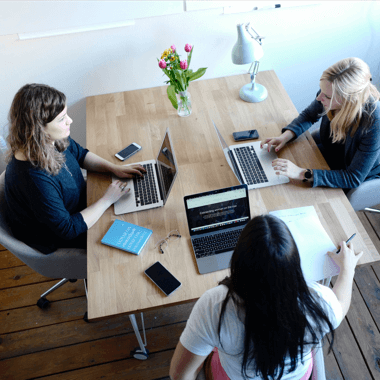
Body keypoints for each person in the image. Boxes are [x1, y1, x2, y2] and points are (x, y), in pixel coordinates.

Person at [169, 214, 363, 380]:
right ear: (294, 264)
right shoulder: (318, 302)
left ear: (238, 261)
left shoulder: (214, 305)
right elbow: (341, 304)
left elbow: (179, 375)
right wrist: (348, 269)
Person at [4, 83, 146, 254]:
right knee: (139, 229)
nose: (69, 121)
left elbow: (80, 155)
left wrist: (114, 168)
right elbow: (67, 229)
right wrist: (107, 200)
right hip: (63, 236)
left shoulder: (48, 140)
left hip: (81, 205)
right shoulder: (34, 179)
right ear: (39, 128)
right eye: (62, 119)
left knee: (138, 208)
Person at [262, 57, 380, 189]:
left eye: (327, 96)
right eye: (321, 90)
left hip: (350, 172)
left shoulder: (374, 122)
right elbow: (309, 115)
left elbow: (353, 177)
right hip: (331, 150)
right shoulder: (329, 91)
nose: (319, 98)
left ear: (350, 100)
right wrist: (285, 136)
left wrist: (301, 173)